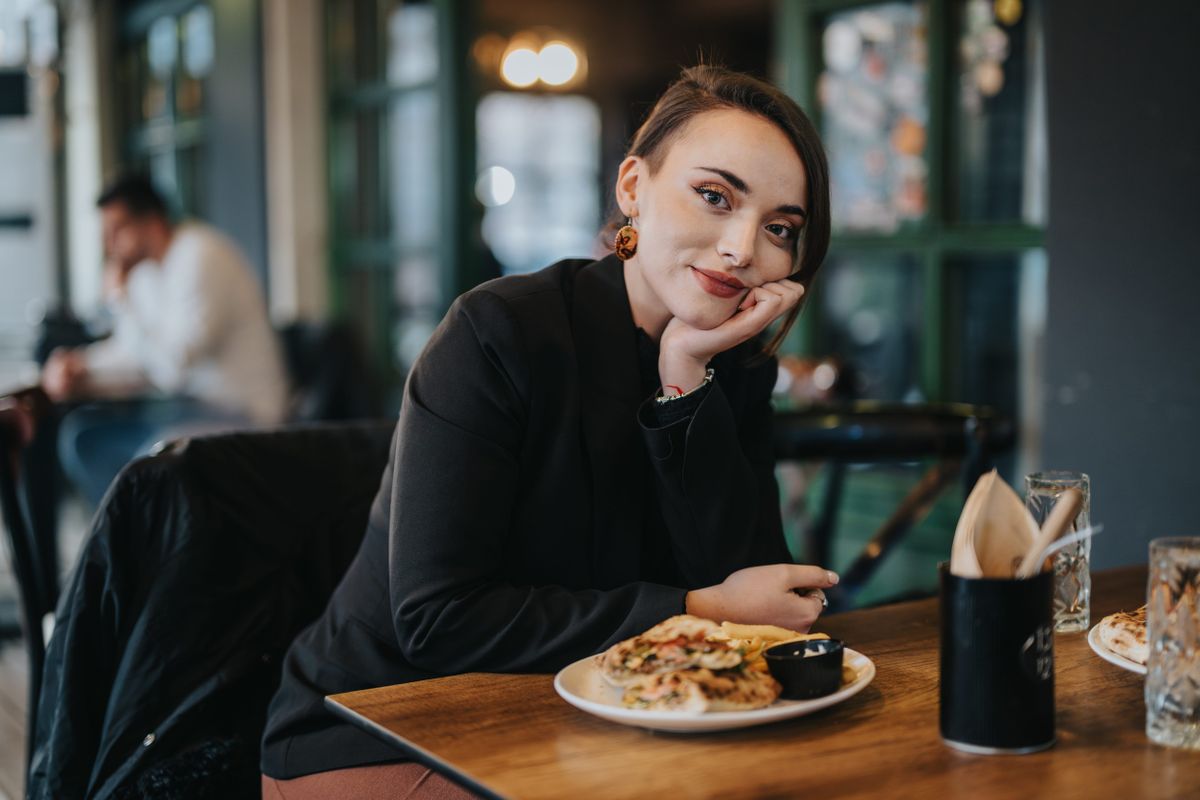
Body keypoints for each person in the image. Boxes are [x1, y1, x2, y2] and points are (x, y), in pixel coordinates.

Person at [260, 65, 833, 798]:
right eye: (714, 196)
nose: (742, 248)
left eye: (780, 228)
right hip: (386, 722)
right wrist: (694, 611)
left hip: (604, 724)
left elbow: (754, 601)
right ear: (633, 188)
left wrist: (684, 377)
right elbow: (439, 622)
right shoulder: (498, 334)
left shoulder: (731, 365)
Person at [40, 174, 289, 504]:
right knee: (83, 437)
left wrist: (119, 300)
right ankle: (126, 546)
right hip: (187, 408)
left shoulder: (201, 255)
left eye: (117, 230)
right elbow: (133, 352)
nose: (108, 244)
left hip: (243, 412)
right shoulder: (145, 273)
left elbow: (174, 367)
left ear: (152, 222)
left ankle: (148, 547)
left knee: (152, 464)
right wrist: (80, 365)